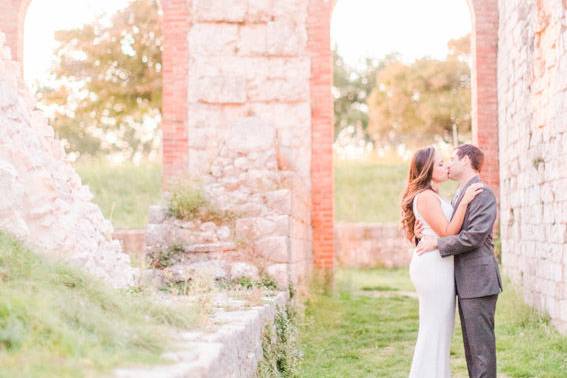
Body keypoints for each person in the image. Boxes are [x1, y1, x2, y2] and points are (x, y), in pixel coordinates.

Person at [415, 144, 503, 378]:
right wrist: (423, 231)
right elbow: (445, 226)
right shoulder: (458, 193)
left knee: (481, 350)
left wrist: (438, 244)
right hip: (464, 281)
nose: (449, 164)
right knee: (472, 350)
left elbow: (474, 237)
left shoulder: (482, 193)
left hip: (478, 281)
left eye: (452, 159)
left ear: (465, 160)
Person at [401, 145, 484, 378]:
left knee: (441, 329)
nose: (445, 165)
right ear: (427, 170)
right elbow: (447, 232)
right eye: (439, 163)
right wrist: (466, 201)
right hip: (433, 268)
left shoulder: (434, 196)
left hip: (441, 264)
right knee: (434, 328)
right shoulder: (426, 197)